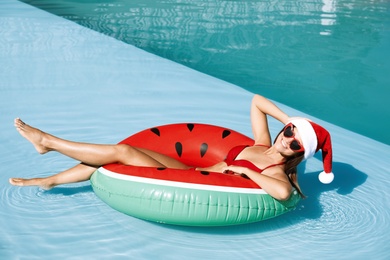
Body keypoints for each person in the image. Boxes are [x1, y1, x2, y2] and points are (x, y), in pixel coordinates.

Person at [9, 94, 334, 201]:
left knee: (121, 153)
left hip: (192, 179)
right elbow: (256, 101)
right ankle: (51, 177)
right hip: (189, 170)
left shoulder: (276, 170)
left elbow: (283, 194)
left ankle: (48, 142)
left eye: (295, 141)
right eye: (289, 130)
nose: (287, 137)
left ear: (298, 153)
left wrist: (240, 168)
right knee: (121, 153)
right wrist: (291, 117)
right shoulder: (262, 142)